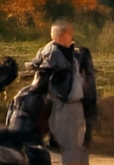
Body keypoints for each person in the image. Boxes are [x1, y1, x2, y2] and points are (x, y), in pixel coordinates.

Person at [27, 20, 97, 165]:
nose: (72, 36)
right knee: (71, 146)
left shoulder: (66, 52)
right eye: (70, 33)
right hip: (66, 106)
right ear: (65, 35)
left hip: (72, 106)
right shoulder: (55, 54)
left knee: (80, 146)